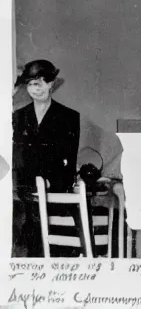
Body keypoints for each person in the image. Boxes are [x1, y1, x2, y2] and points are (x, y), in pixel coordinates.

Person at [12, 59, 80, 257]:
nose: (37, 88)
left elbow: (69, 163)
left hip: (56, 197)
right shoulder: (17, 118)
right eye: (32, 84)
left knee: (58, 249)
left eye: (41, 82)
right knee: (30, 251)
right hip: (26, 199)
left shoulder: (69, 117)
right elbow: (16, 159)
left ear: (51, 83)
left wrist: (52, 183)